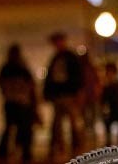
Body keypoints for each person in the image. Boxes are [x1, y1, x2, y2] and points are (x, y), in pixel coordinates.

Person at [43, 31, 85, 159]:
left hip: (68, 94)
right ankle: (59, 146)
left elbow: (78, 76)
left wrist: (78, 92)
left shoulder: (69, 57)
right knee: (57, 123)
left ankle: (75, 146)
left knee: (71, 122)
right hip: (59, 95)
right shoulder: (56, 58)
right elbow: (50, 78)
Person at [0, 44, 39, 162]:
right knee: (24, 128)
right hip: (22, 103)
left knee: (9, 128)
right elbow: (31, 86)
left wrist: (7, 93)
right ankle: (25, 152)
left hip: (10, 102)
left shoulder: (6, 68)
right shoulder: (23, 68)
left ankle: (3, 152)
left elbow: (0, 83)